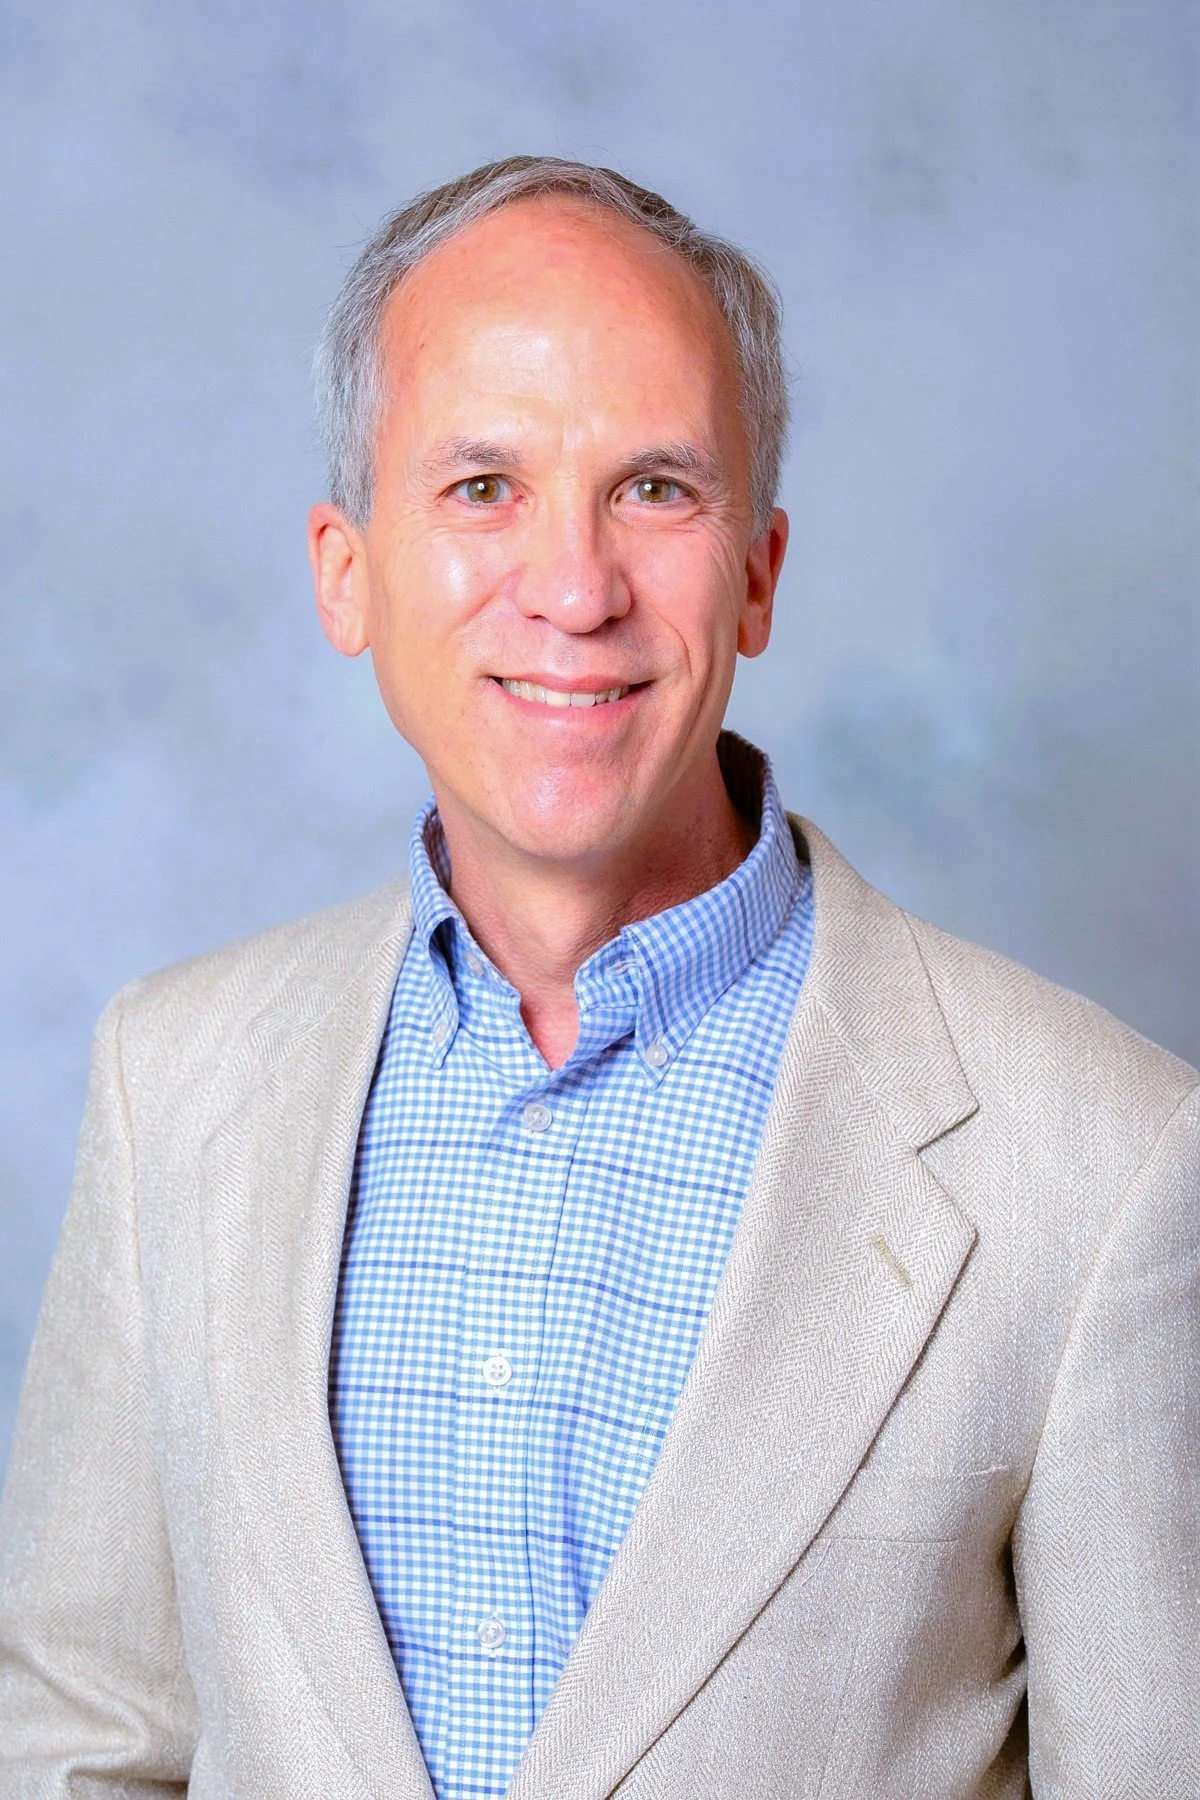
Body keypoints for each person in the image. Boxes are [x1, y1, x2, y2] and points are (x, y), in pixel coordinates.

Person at [0, 155, 1195, 1800]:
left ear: (759, 572)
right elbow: (79, 1741)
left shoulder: (1111, 1165)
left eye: (656, 488)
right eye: (482, 486)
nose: (575, 589)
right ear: (345, 570)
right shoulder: (175, 1079)